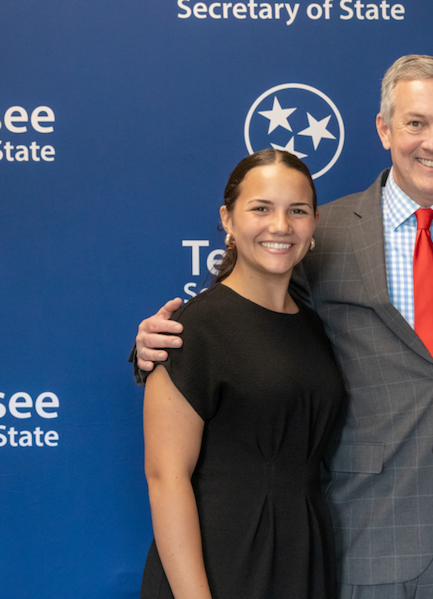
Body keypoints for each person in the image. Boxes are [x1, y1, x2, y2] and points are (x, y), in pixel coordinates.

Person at [135, 55, 433, 599]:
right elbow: (247, 321)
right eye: (415, 122)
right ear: (384, 129)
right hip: (361, 532)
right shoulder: (321, 237)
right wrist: (153, 350)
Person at [140, 149, 345, 599]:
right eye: (260, 208)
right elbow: (165, 476)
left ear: (313, 224)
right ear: (228, 221)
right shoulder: (193, 329)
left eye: (297, 210)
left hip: (301, 556)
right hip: (222, 563)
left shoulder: (313, 324)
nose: (280, 226)